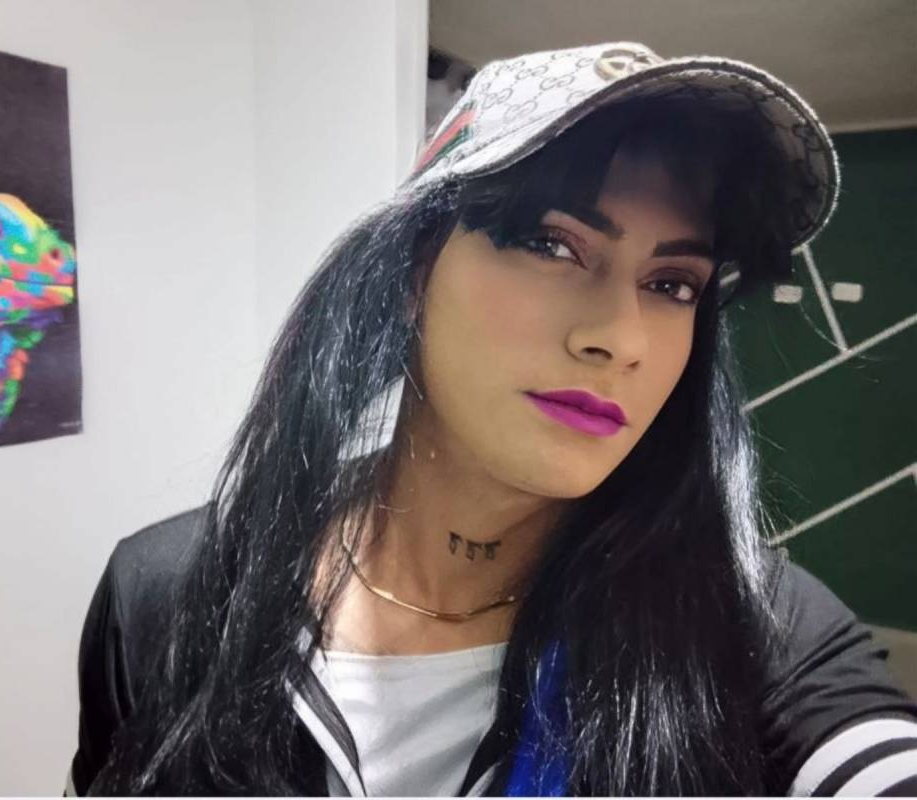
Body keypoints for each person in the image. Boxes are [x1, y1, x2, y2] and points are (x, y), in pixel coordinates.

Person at [66, 42, 917, 796]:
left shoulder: (748, 625)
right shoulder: (171, 592)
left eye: (672, 284)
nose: (620, 339)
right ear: (415, 273)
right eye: (553, 244)